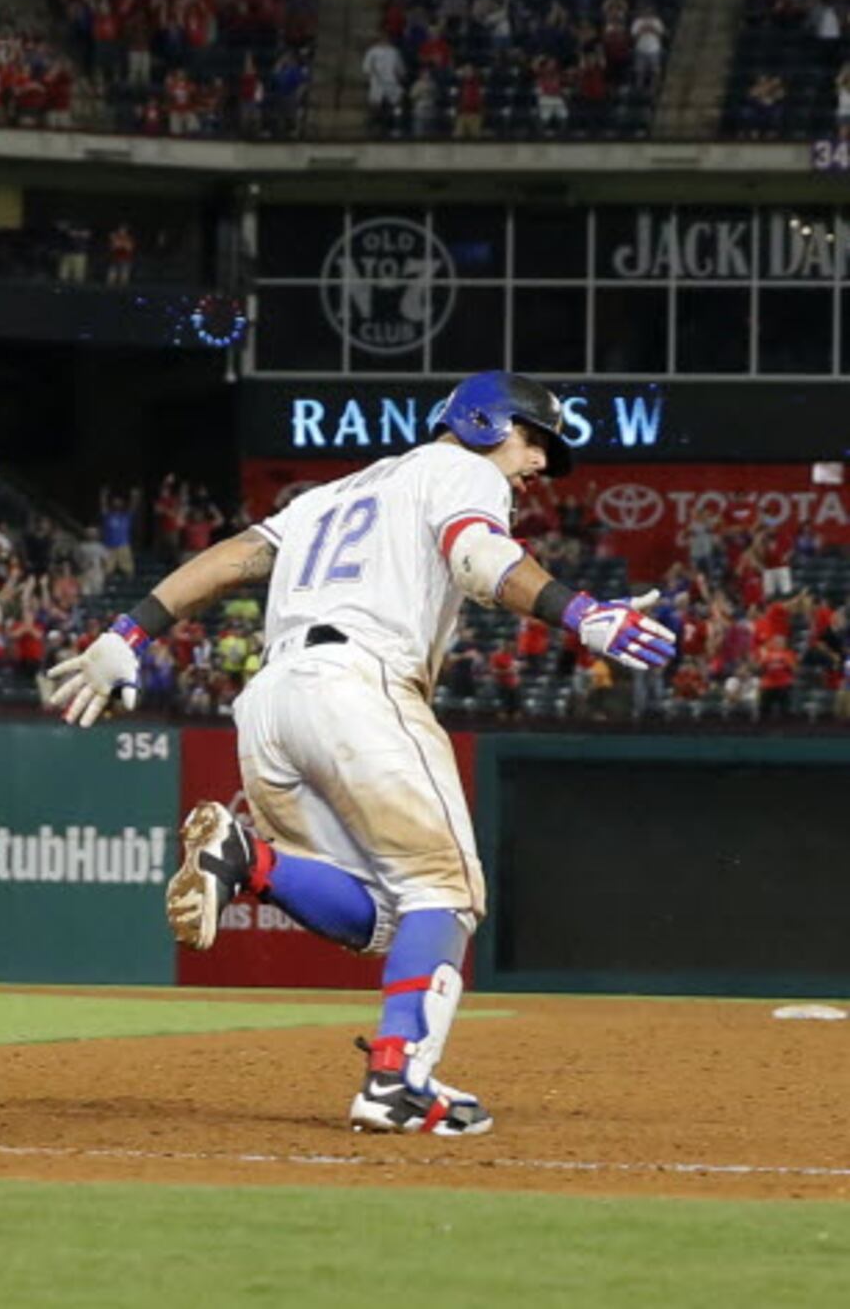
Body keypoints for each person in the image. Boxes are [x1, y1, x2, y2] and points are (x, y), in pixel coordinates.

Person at [46, 372, 677, 1138]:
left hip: (271, 701)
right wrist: (582, 613)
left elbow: (234, 558)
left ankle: (251, 862)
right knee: (447, 890)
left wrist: (129, 632)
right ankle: (396, 1081)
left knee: (388, 918)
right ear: (482, 422)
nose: (540, 461)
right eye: (534, 437)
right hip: (360, 686)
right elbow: (478, 557)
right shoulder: (463, 470)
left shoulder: (335, 493)